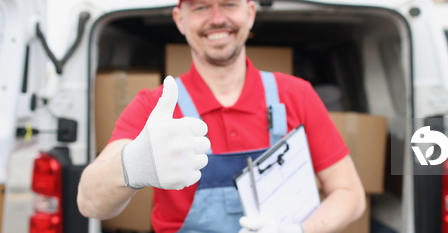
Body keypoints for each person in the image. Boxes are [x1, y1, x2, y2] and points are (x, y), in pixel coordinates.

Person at [77, 0, 366, 232]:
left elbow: (350, 194)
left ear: (250, 12)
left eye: (229, 4)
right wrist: (134, 165)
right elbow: (89, 203)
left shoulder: (296, 95)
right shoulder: (154, 107)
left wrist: (296, 230)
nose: (217, 18)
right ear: (180, 19)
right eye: (201, 6)